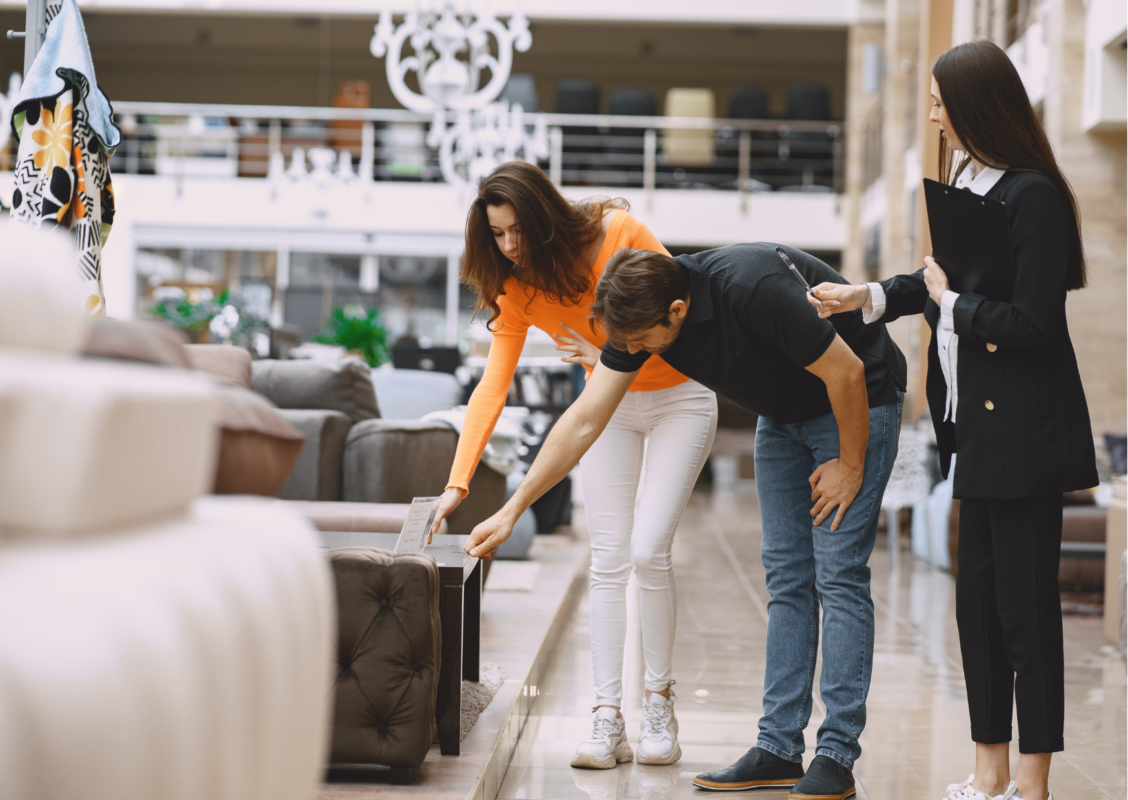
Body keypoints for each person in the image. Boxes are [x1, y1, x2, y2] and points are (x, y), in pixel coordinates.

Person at [464, 242, 908, 800]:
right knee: (787, 577)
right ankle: (778, 748)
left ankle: (837, 755)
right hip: (784, 415)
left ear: (676, 311)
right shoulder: (638, 314)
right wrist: (511, 509)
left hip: (856, 403)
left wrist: (850, 464)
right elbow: (584, 421)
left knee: (838, 575)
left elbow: (847, 371)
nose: (634, 351)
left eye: (640, 341)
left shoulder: (753, 289)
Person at [810, 40, 1097, 800]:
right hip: (974, 433)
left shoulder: (1033, 195)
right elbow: (936, 281)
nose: (934, 116)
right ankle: (988, 772)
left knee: (1025, 616)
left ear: (977, 104)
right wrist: (869, 296)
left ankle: (1031, 782)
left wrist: (953, 304)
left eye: (940, 103)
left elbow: (1032, 323)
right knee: (978, 613)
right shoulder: (970, 181)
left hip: (1027, 434)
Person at [429, 162, 718, 769]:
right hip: (606, 407)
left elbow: (682, 317)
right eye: (497, 235)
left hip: (680, 397)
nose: (509, 246)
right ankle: (606, 716)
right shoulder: (515, 290)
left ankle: (659, 704)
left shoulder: (617, 235)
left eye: (517, 230)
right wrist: (458, 483)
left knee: (648, 552)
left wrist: (607, 351)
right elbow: (492, 387)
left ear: (543, 218)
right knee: (607, 559)